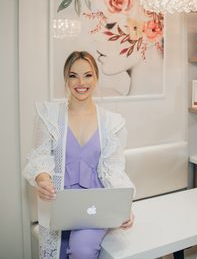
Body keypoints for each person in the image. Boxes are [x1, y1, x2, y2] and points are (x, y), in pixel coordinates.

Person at [23, 50, 135, 259]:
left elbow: (115, 171)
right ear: (66, 79)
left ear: (96, 78)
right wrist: (43, 180)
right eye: (73, 75)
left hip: (95, 207)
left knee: (81, 251)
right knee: (58, 254)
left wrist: (123, 208)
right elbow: (40, 157)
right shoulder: (49, 116)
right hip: (59, 203)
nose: (80, 82)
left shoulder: (112, 123)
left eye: (88, 75)